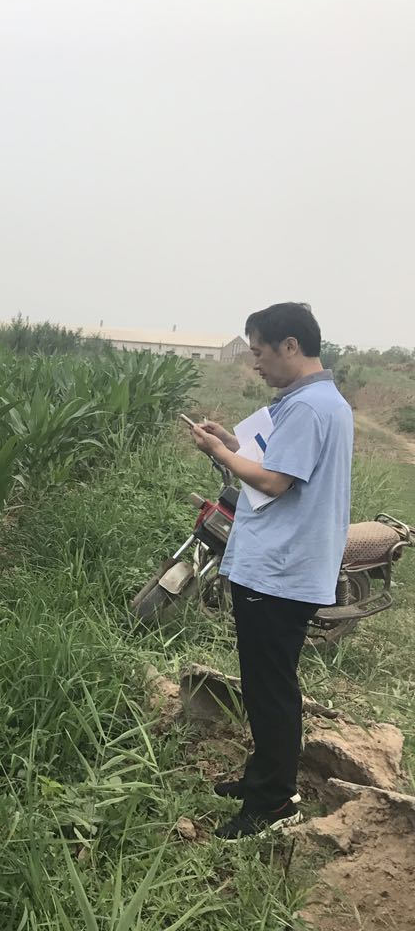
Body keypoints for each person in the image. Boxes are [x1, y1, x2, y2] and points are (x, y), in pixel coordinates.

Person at [188, 302, 352, 840]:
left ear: (290, 346)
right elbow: (281, 463)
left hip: (280, 570)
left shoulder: (306, 408)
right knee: (267, 682)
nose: (255, 363)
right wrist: (236, 446)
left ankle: (274, 801)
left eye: (259, 352)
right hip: (289, 566)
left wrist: (218, 451)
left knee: (270, 688)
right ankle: (264, 778)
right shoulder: (322, 401)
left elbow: (275, 482)